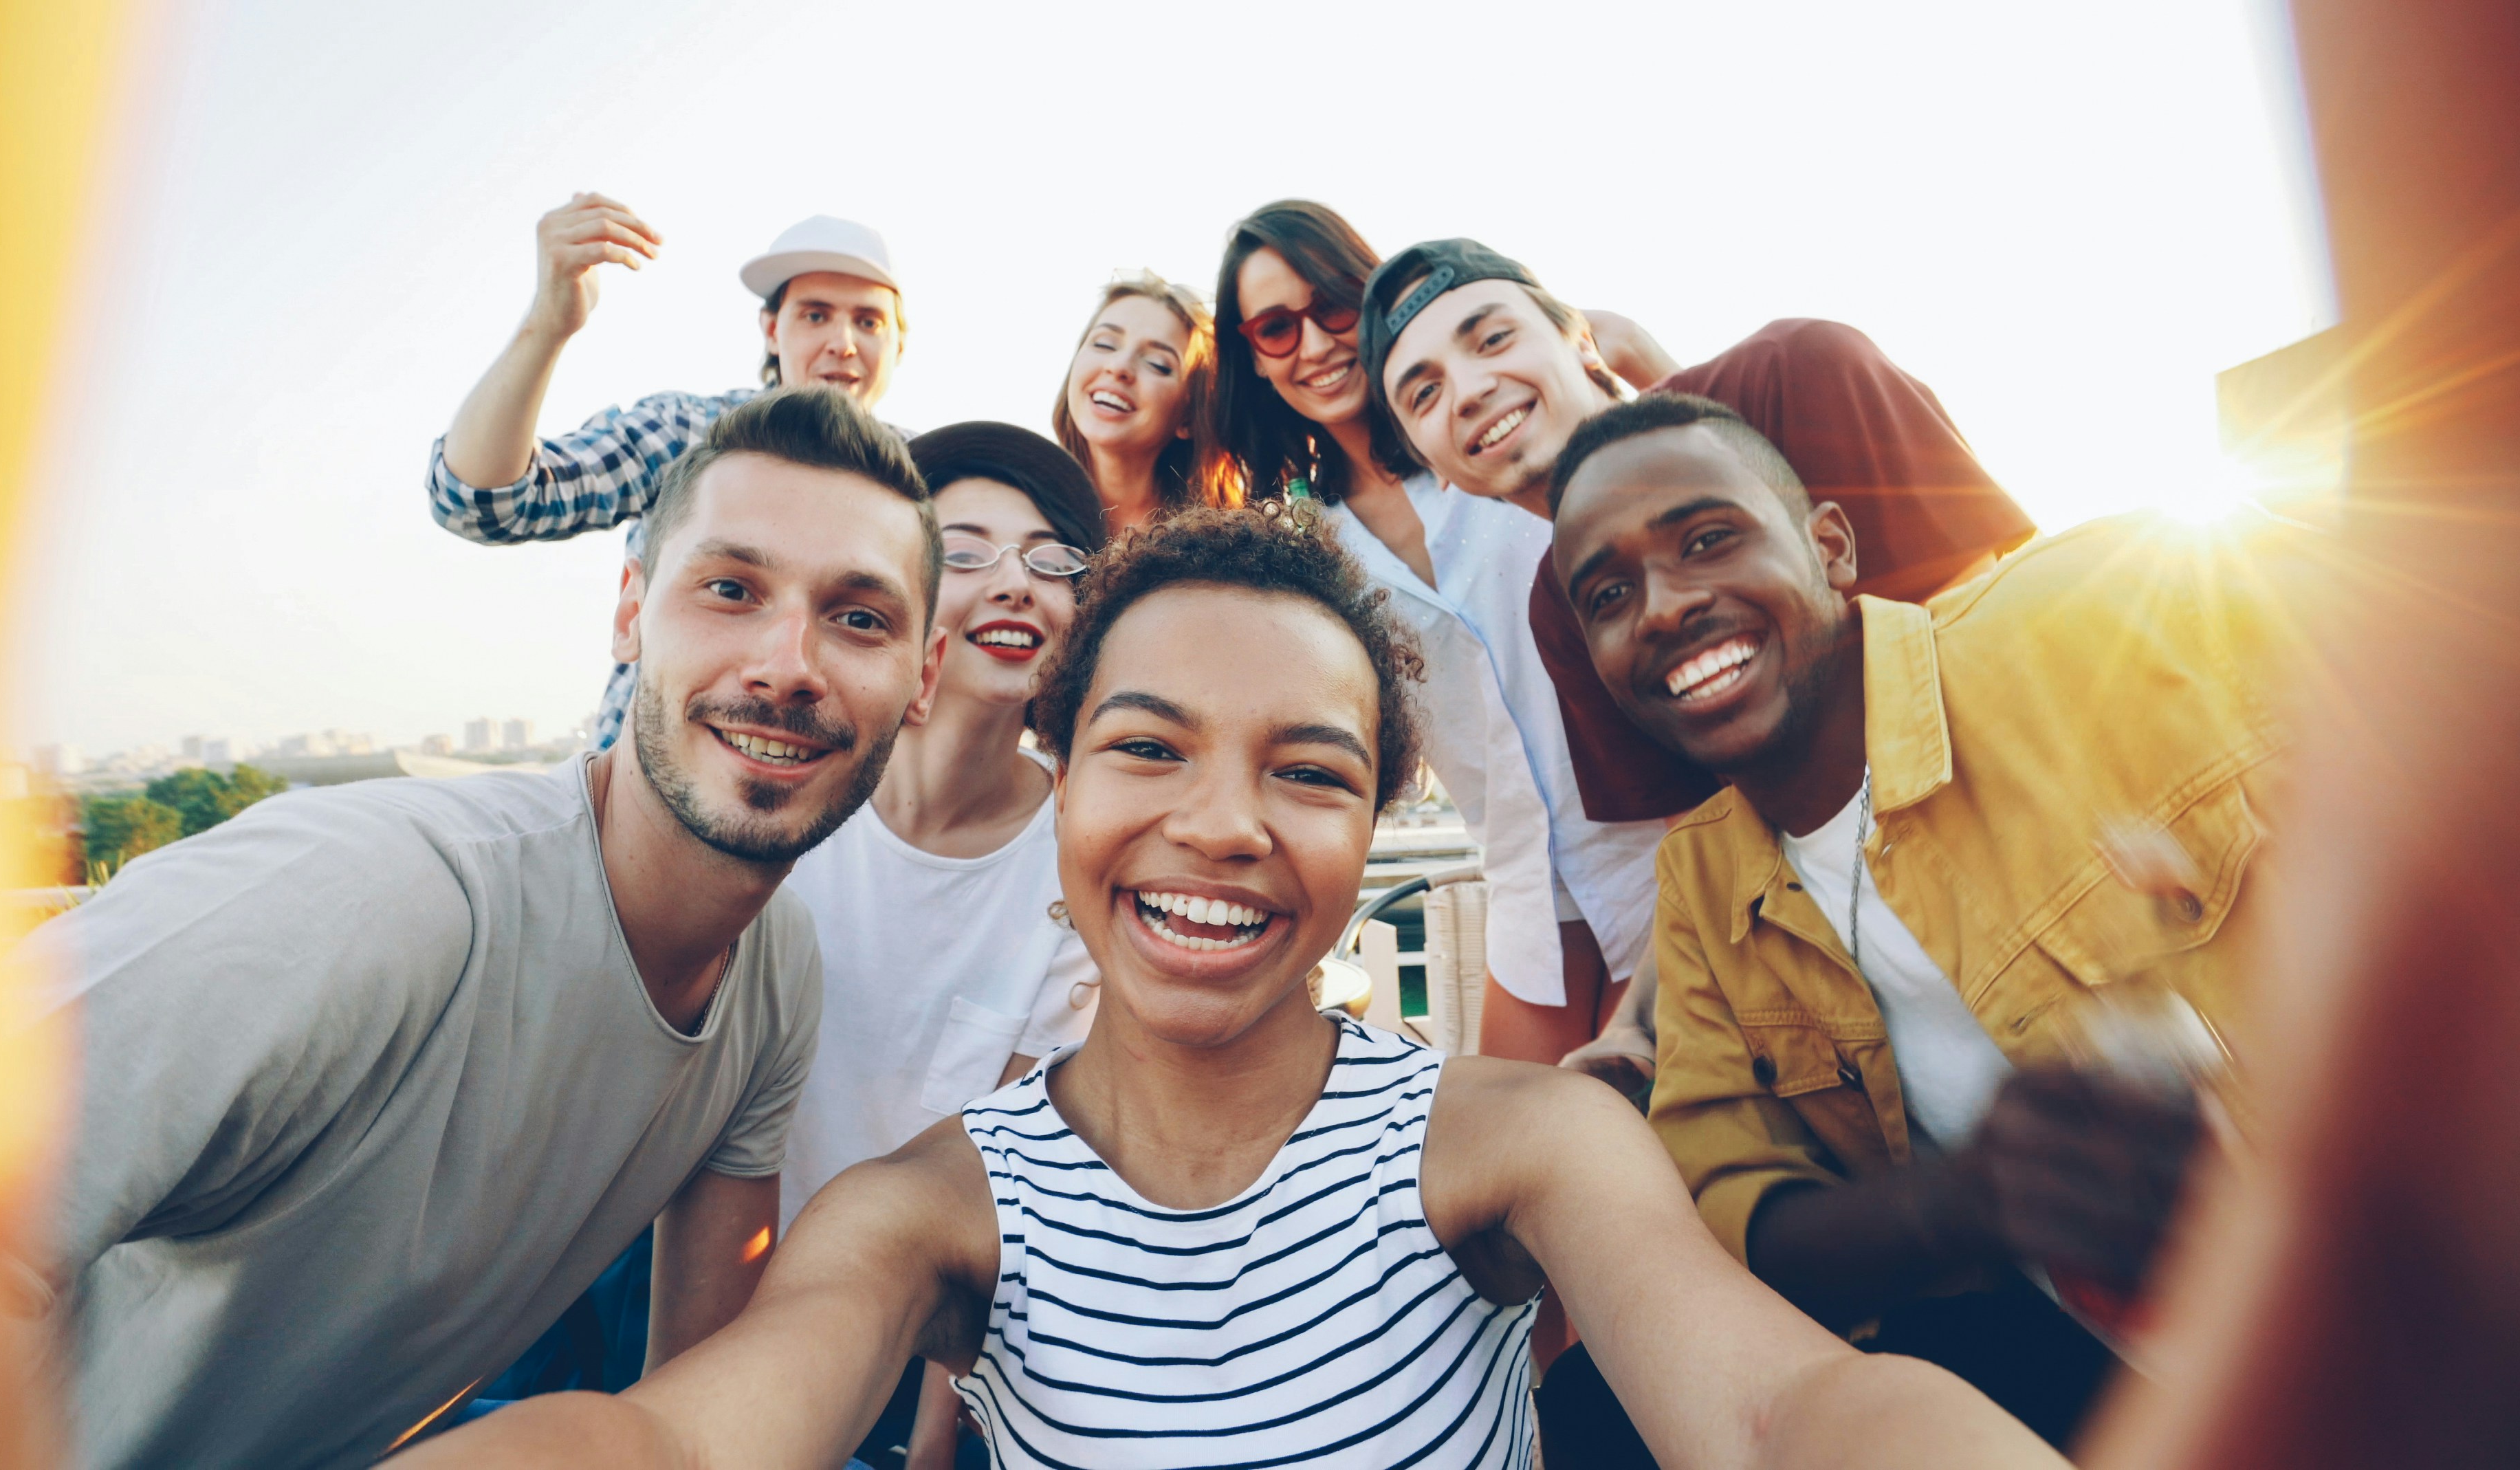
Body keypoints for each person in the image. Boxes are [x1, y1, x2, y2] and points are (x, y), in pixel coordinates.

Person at [391, 506, 2064, 1470]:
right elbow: (676, 1443)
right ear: (1058, 779)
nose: (1220, 823)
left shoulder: (1508, 1146)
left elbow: (1781, 1408)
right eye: (1147, 748)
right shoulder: (934, 1212)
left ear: (1369, 826)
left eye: (1308, 770)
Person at [17, 388, 941, 1470]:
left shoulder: (775, 980)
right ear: (630, 613)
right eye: (730, 589)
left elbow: (698, 1391)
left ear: (923, 678)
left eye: (860, 617)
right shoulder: (376, 895)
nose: (788, 663)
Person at [1546, 391, 2310, 1444]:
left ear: (1830, 547)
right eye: (1608, 594)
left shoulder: (2105, 601)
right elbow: (1732, 1204)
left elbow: (2455, 633)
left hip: (2395, 1296)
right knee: (1591, 1413)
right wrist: (1973, 1201)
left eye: (1708, 539)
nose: (1663, 607)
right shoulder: (1702, 878)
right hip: (2098, 1360)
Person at [1359, 237, 2037, 1085]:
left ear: (1580, 339)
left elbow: (2005, 637)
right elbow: (1705, 843)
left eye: (1492, 338)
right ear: (1434, 467)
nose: (1467, 390)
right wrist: (1631, 1030)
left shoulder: (1796, 373)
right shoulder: (1559, 605)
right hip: (1859, 994)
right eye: (1422, 393)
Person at [1211, 201, 1647, 1068]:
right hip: (1524, 884)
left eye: (1333, 304)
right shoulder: (1308, 544)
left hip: (1663, 843)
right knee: (1505, 1125)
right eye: (1275, 327)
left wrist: (1628, 344)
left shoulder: (1501, 436)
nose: (1314, 343)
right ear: (1252, 357)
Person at [775, 421, 1105, 1470]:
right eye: (965, 552)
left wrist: (932, 1433)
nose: (1014, 582)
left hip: (942, 1349)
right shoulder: (793, 794)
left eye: (1052, 559)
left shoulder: (1084, 852)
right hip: (734, 1304)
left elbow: (1004, 1174)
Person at [428, 200, 910, 748]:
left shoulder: (931, 479)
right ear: (773, 330)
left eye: (869, 322)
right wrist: (548, 326)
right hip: (650, 786)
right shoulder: (687, 433)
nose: (843, 342)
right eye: (815, 315)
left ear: (899, 343)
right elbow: (484, 503)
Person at [1049, 270, 1239, 532]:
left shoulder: (1223, 540)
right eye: (1104, 344)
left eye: (1157, 364)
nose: (1119, 366)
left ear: (1189, 417)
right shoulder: (1023, 509)